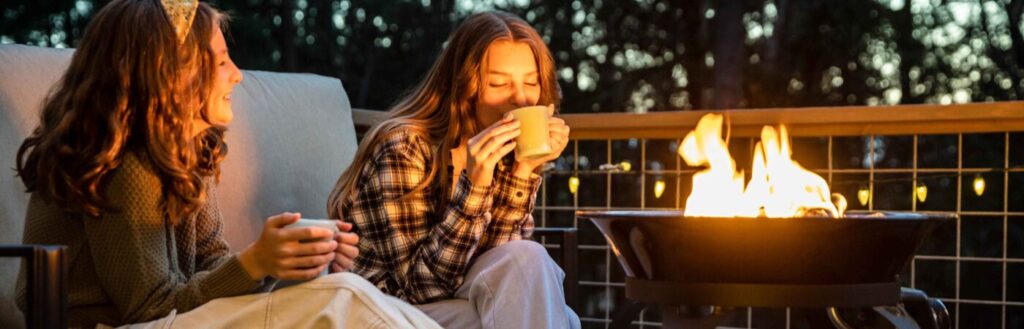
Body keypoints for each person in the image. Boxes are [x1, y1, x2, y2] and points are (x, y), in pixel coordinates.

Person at [14, 0, 438, 328]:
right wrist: (256, 263)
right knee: (343, 297)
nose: (237, 74)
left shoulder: (185, 154)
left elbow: (211, 269)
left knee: (342, 291)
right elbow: (149, 308)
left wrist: (284, 259)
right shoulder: (127, 163)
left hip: (163, 318)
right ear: (166, 75)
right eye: (219, 61)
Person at [327, 10, 580, 329]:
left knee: (529, 266)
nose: (520, 98)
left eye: (531, 82)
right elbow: (417, 289)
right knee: (555, 313)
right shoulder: (404, 147)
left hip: (449, 303)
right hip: (382, 309)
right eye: (499, 83)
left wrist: (523, 171)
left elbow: (502, 268)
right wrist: (474, 187)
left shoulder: (501, 150)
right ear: (464, 86)